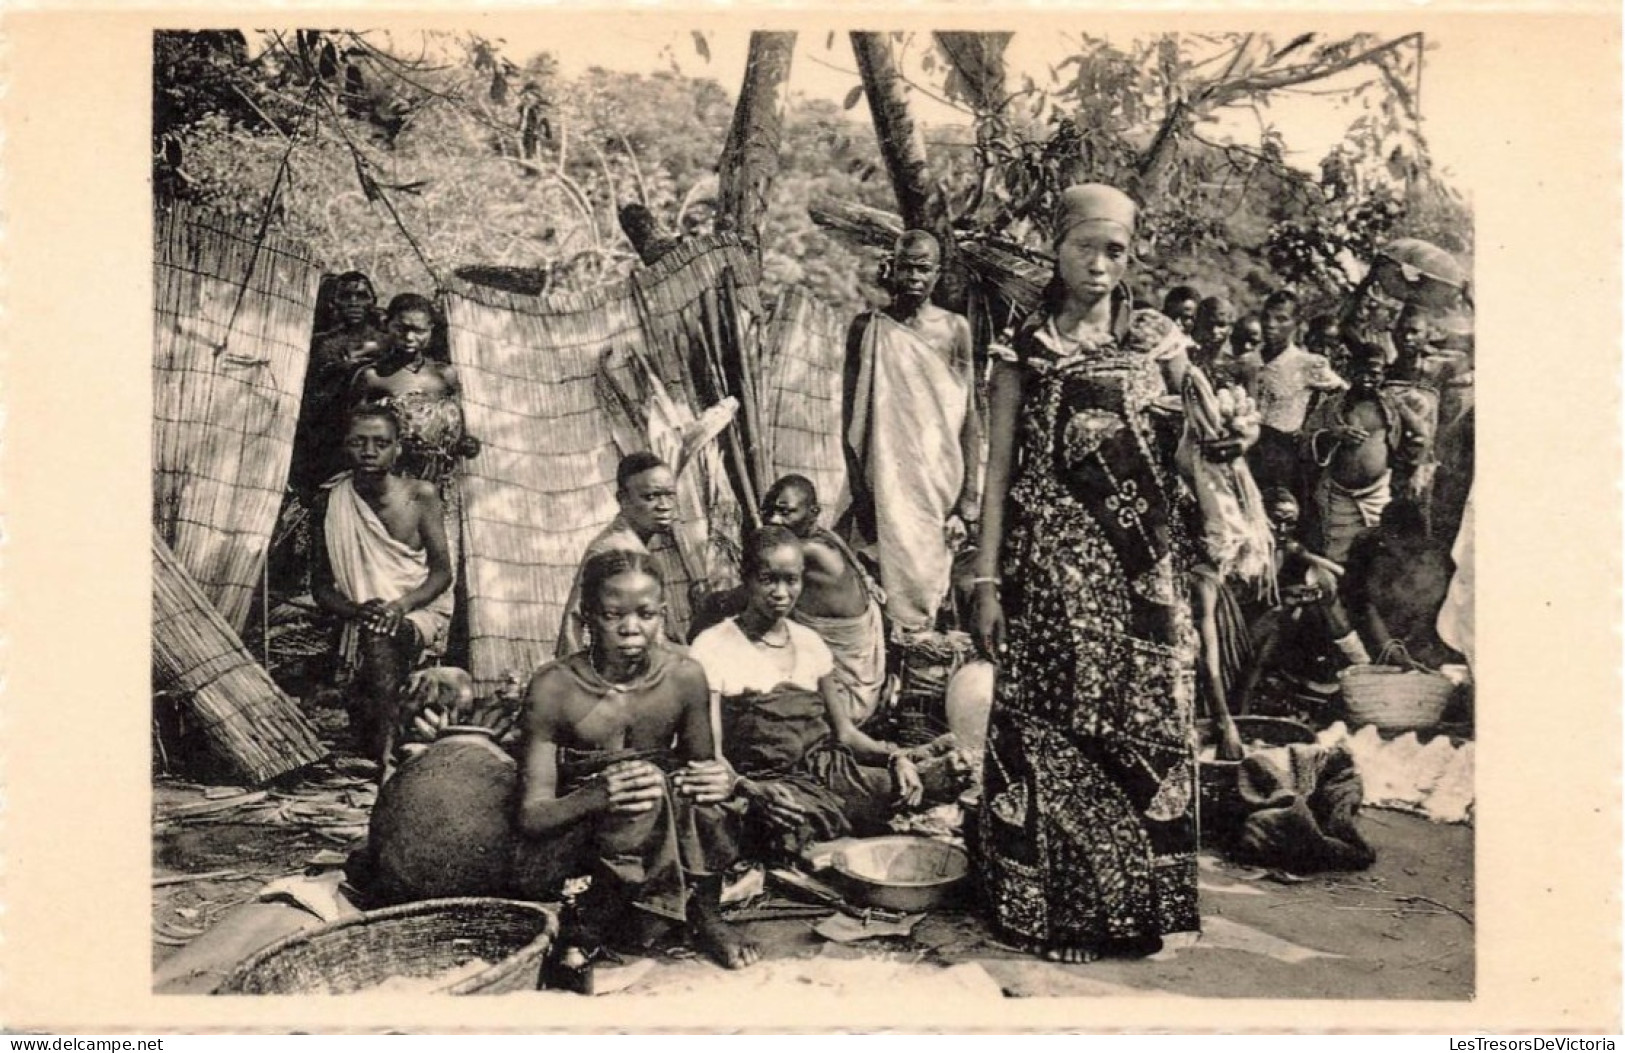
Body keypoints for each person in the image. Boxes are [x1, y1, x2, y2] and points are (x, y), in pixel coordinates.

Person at [970, 184, 1200, 963]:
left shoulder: (1157, 342)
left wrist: (1219, 437)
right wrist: (986, 583)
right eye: (1084, 248)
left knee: (1140, 724)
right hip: (1049, 575)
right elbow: (996, 471)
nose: (1100, 265)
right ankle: (1059, 916)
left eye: (1116, 251)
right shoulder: (1024, 346)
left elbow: (1195, 452)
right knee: (1052, 733)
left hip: (1142, 575)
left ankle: (1133, 911)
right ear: (1056, 249)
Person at [362, 549, 759, 988]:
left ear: (662, 613)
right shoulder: (556, 687)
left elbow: (701, 767)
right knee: (637, 804)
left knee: (705, 799)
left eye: (646, 614)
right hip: (577, 831)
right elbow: (532, 816)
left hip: (650, 814)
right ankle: (585, 931)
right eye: (613, 615)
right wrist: (597, 795)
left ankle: (706, 916)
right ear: (587, 617)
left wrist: (718, 779)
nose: (631, 628)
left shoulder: (685, 677)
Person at [690, 527, 937, 858]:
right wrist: (751, 790)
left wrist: (896, 757)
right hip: (761, 786)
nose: (781, 592)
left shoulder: (810, 642)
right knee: (782, 818)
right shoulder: (712, 646)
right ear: (746, 578)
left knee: (903, 789)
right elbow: (711, 753)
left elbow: (845, 734)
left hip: (827, 774)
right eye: (768, 579)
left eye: (791, 580)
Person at [840, 230, 983, 636]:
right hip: (885, 478)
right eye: (906, 267)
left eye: (924, 268)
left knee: (932, 582)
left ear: (938, 274)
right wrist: (859, 488)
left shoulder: (955, 330)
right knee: (880, 581)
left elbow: (969, 414)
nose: (914, 277)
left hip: (939, 480)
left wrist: (969, 498)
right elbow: (849, 416)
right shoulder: (867, 328)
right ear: (893, 268)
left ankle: (927, 668)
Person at [310, 406, 454, 764]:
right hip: (365, 614)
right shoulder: (329, 501)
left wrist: (400, 606)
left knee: (380, 633)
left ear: (397, 450)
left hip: (419, 609)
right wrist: (358, 609)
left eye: (381, 443)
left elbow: (441, 574)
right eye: (359, 442)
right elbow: (322, 587)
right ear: (345, 447)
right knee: (376, 631)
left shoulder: (421, 496)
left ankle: (388, 751)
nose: (369, 452)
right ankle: (385, 732)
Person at [761, 474, 889, 728]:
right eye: (770, 512)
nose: (775, 520)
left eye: (786, 513)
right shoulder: (825, 538)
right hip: (851, 690)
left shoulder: (809, 552)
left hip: (845, 702)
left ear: (814, 512)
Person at [1228, 489, 1370, 715]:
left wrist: (1308, 564)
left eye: (1290, 523)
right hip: (1239, 632)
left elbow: (1340, 573)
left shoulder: (1286, 547)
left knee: (1320, 580)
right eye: (1276, 522)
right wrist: (1284, 597)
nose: (1283, 530)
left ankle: (1362, 665)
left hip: (1275, 618)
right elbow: (1236, 605)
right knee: (1278, 621)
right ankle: (1241, 709)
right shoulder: (1244, 551)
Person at [1302, 340, 1431, 562]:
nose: (1366, 379)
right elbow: (1306, 440)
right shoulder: (1332, 406)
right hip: (1338, 495)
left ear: (1383, 374)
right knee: (1336, 552)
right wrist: (1333, 435)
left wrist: (1408, 468)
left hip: (1378, 492)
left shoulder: (1391, 406)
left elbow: (1421, 434)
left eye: (1373, 373)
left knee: (1377, 552)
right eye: (1359, 372)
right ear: (1350, 372)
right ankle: (1340, 593)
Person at [557, 452, 692, 656]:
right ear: (623, 499)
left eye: (669, 495)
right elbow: (573, 622)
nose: (664, 506)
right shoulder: (613, 549)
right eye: (651, 497)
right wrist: (573, 681)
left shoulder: (635, 546)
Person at [350, 293, 480, 490]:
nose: (409, 337)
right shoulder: (372, 377)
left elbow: (461, 432)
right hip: (390, 486)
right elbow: (352, 436)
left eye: (418, 330)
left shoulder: (445, 376)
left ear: (430, 330)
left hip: (440, 484)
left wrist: (467, 443)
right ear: (387, 324)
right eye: (401, 329)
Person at [294, 272, 390, 498]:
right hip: (326, 433)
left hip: (369, 430)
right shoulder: (319, 343)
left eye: (361, 296)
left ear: (373, 301)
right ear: (333, 302)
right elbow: (309, 393)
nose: (354, 303)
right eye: (346, 296)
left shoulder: (386, 343)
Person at [1341, 497, 1462, 671]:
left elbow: (1441, 609)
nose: (1405, 555)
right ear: (1386, 536)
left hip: (1428, 643)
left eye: (1413, 550)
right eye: (1402, 548)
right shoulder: (1370, 551)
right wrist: (1390, 649)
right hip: (1380, 645)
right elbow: (1364, 606)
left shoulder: (1437, 556)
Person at [1249, 289, 1347, 502]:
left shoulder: (1308, 363)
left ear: (1297, 324)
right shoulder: (1249, 360)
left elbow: (1344, 393)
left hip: (1284, 455)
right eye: (1266, 317)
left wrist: (1317, 427)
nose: (1270, 324)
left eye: (1281, 319)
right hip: (1247, 450)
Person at [1191, 296, 1259, 393]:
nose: (1214, 331)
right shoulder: (1193, 355)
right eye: (1208, 325)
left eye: (1221, 325)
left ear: (1231, 327)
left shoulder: (1241, 361)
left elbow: (1252, 399)